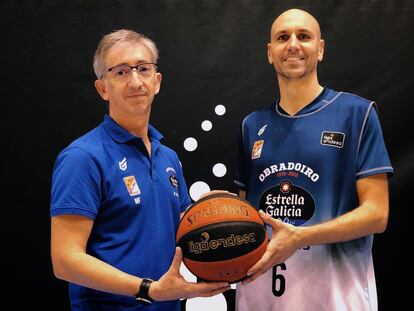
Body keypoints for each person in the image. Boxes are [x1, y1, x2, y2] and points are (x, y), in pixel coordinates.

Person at [50, 29, 229, 311]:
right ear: (102, 88)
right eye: (121, 72)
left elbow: (182, 226)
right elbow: (65, 261)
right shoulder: (82, 157)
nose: (135, 81)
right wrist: (149, 289)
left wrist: (211, 212)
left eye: (143, 69)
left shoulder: (167, 157)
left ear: (156, 81)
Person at [235, 8, 393, 311]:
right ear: (270, 53)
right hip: (260, 299)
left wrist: (300, 237)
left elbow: (377, 214)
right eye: (283, 37)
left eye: (304, 36)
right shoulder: (251, 125)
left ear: (319, 49)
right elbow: (243, 217)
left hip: (337, 298)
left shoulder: (357, 114)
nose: (293, 44)